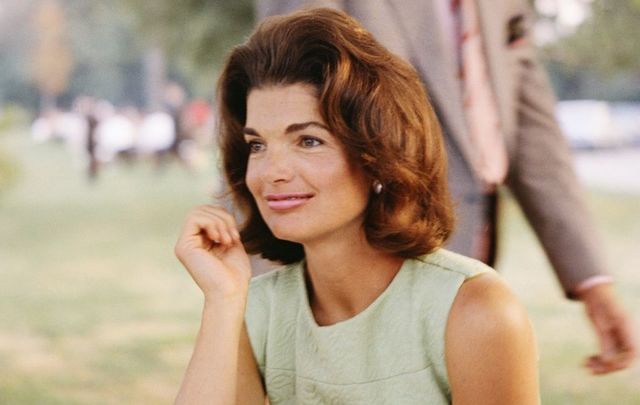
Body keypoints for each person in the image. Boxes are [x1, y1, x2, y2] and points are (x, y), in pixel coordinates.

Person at [174, 8, 539, 404]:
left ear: (378, 154)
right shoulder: (255, 311)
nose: (270, 173)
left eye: (308, 141)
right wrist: (223, 300)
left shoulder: (476, 312)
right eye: (257, 145)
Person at [257, 0, 637, 375]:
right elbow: (277, 92)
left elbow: (527, 117)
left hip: (471, 250)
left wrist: (592, 281)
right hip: (364, 259)